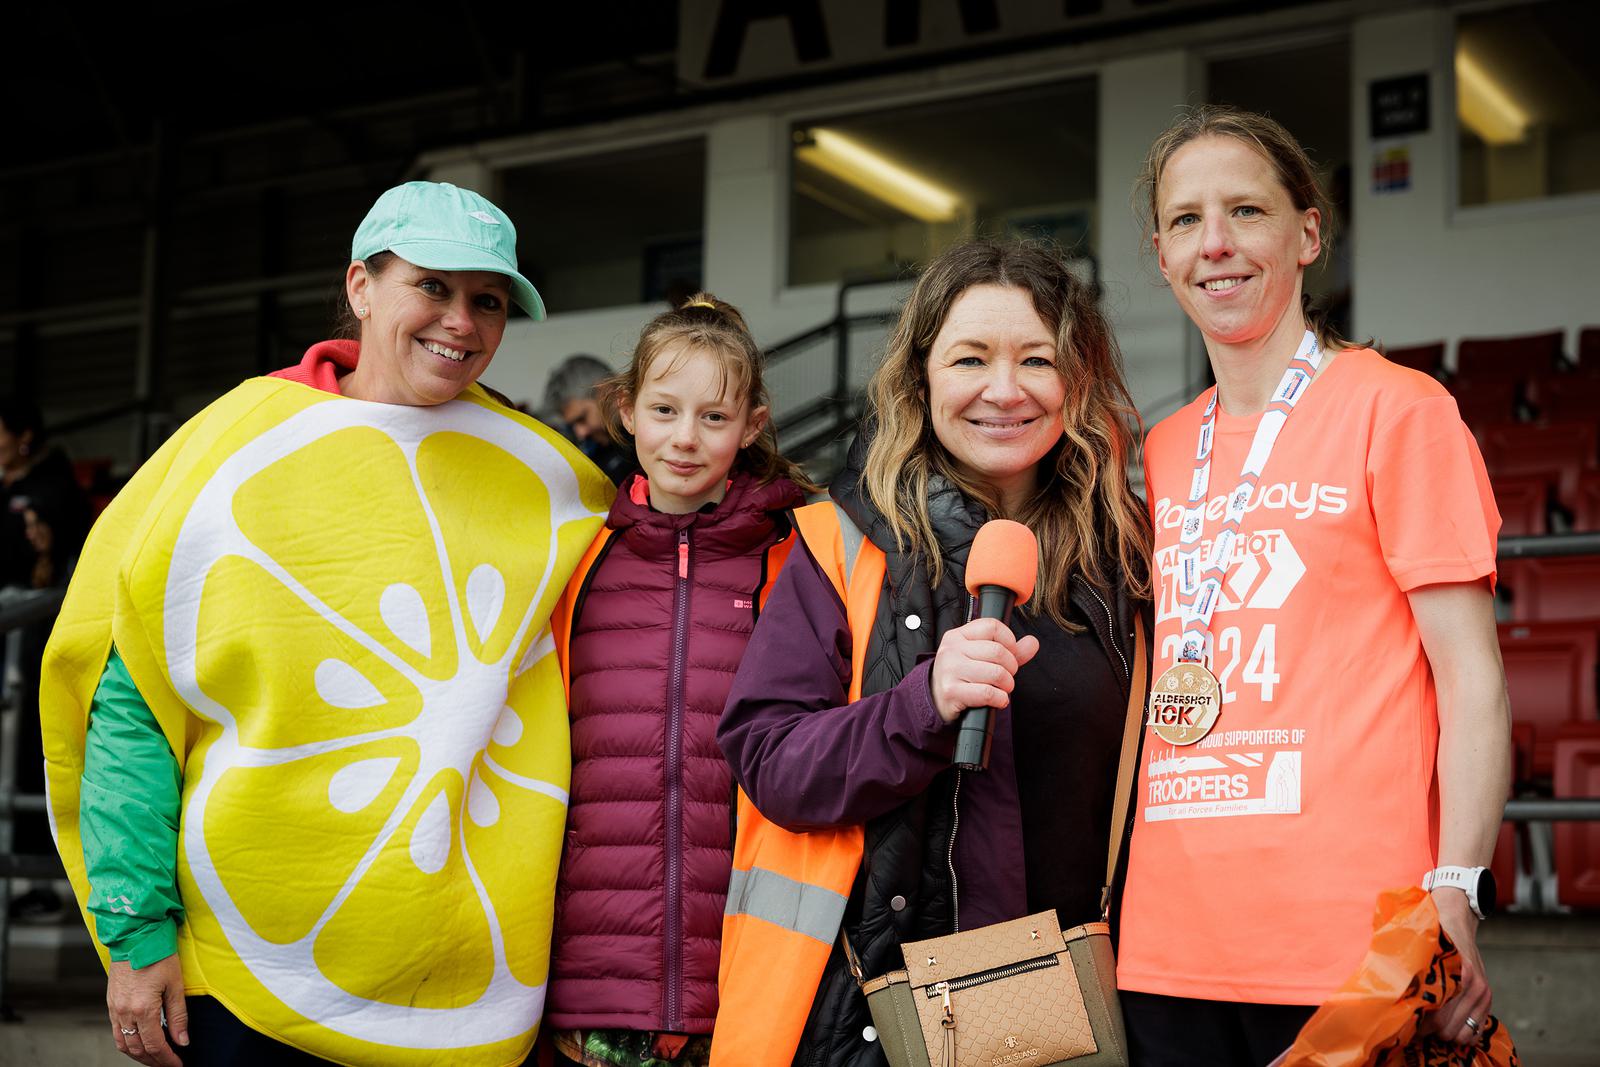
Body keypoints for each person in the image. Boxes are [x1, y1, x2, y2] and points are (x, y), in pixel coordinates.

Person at [41, 181, 613, 1067]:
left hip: (464, 993)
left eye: (488, 300)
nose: (461, 321)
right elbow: (134, 709)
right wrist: (135, 935)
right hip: (246, 981)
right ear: (360, 286)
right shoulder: (226, 454)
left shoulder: (551, 482)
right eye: (432, 286)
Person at [1116, 106, 1510, 1066]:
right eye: (1186, 220)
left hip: (1350, 941)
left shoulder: (1398, 410)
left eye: (1246, 211)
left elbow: (1472, 679)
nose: (1216, 244)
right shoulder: (1163, 451)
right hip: (1168, 945)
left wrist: (1456, 882)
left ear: (1306, 234)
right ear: (1160, 254)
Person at [713, 239, 1152, 1066]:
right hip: (897, 1014)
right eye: (970, 359)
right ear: (920, 380)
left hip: (1090, 1003)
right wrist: (922, 704)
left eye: (1036, 360)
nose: (1004, 389)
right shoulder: (841, 542)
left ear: (1077, 380)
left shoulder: (1130, 553)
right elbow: (769, 758)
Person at [545, 294, 812, 1067]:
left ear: (752, 425)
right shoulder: (576, 558)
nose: (685, 439)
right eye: (664, 410)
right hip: (589, 987)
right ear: (626, 411)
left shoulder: (798, 557)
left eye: (714, 417)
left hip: (748, 980)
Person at [545, 353, 636, 485]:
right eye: (572, 425)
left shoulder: (649, 436)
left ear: (605, 390)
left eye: (582, 418)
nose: (580, 432)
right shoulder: (596, 456)